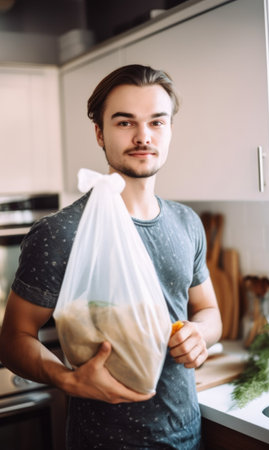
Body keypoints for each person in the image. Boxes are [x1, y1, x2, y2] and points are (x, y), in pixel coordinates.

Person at [0, 64, 222, 449]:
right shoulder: (62, 233)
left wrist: (199, 334)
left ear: (169, 130)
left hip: (187, 435)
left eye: (157, 122)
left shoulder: (187, 223)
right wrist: (66, 379)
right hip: (102, 441)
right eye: (125, 123)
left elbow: (209, 312)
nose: (143, 136)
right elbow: (13, 339)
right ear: (100, 133)